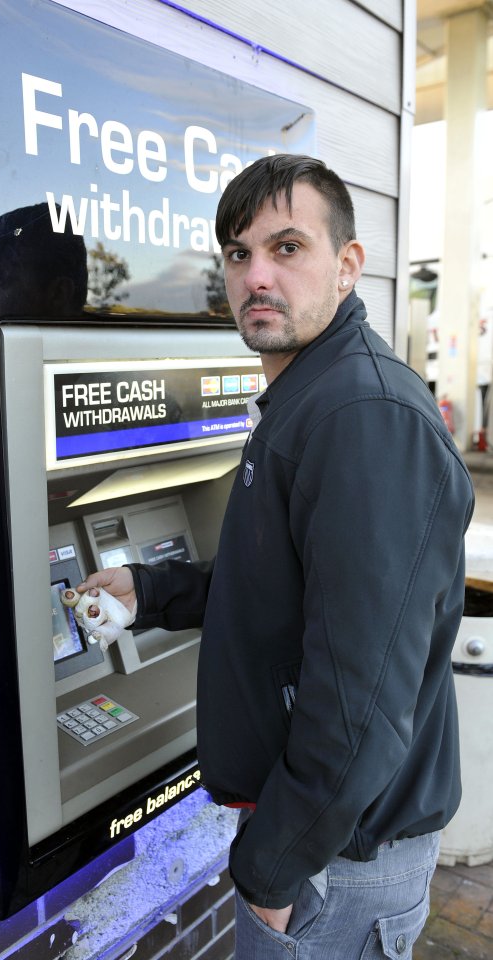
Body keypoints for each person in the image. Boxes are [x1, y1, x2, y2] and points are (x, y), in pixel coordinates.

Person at [76, 154, 474, 959]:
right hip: (324, 852)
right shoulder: (309, 399)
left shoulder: (361, 417)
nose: (256, 274)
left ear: (346, 265)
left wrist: (268, 874)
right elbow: (286, 586)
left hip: (335, 870)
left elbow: (358, 702)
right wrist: (151, 588)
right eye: (238, 253)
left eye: (286, 247)